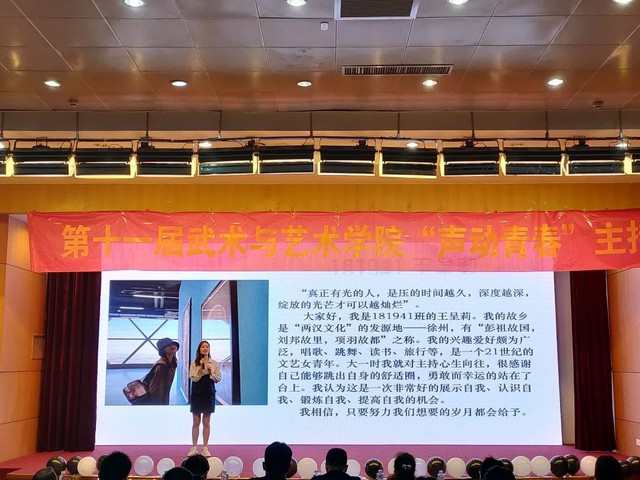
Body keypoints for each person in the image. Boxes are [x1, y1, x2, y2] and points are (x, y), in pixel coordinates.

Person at [188, 340, 222, 457]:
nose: (205, 348)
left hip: (208, 392)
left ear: (209, 349)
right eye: (203, 347)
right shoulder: (194, 363)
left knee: (206, 421)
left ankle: (205, 447)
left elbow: (218, 378)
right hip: (197, 393)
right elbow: (193, 378)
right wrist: (200, 369)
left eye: (207, 347)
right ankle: (194, 447)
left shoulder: (214, 363)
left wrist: (210, 372)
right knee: (196, 421)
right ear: (199, 349)